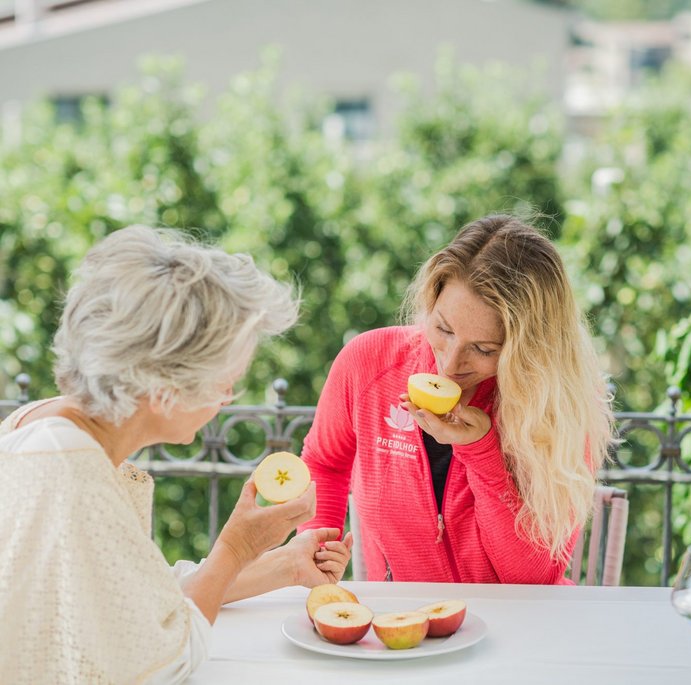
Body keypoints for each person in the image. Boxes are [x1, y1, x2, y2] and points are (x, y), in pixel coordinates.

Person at [0, 226, 352, 683]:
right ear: (167, 387)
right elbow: (165, 662)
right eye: (225, 380)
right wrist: (235, 547)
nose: (229, 398)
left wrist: (282, 564)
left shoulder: (50, 429)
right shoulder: (73, 477)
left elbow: (138, 600)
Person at [298, 214, 613, 583]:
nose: (449, 364)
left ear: (529, 350)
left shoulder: (556, 405)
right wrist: (318, 547)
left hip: (517, 626)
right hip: (407, 624)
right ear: (431, 300)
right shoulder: (368, 363)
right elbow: (325, 463)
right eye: (443, 329)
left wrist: (482, 451)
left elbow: (530, 579)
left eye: (483, 348)